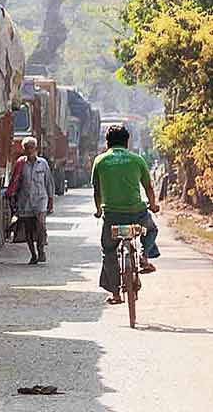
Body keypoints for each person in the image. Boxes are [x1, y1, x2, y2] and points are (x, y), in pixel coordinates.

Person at [93, 124, 160, 305]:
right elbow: (148, 187)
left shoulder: (100, 161)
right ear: (127, 142)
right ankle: (144, 256)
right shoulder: (137, 160)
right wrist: (153, 205)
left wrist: (99, 210)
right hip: (136, 214)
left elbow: (97, 191)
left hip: (112, 216)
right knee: (151, 230)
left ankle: (115, 293)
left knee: (108, 251)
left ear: (107, 142)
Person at [10, 137, 54, 264]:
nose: (29, 151)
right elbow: (15, 183)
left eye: (31, 148)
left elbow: (49, 183)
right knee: (28, 229)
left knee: (40, 225)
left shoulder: (43, 164)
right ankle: (33, 254)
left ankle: (41, 250)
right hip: (25, 201)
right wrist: (13, 200)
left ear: (36, 149)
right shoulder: (20, 164)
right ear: (24, 150)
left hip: (40, 200)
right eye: (27, 148)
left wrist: (50, 201)